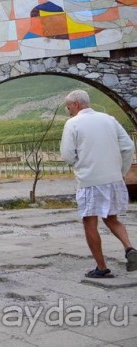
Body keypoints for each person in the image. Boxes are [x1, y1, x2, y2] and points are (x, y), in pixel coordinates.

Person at [60, 90, 137, 278]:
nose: (68, 110)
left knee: (90, 222)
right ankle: (129, 248)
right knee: (112, 218)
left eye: (69, 106)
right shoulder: (109, 119)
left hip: (90, 181)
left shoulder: (73, 123)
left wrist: (79, 165)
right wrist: (121, 171)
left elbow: (67, 155)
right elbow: (128, 147)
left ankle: (102, 267)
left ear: (76, 104)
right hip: (113, 179)